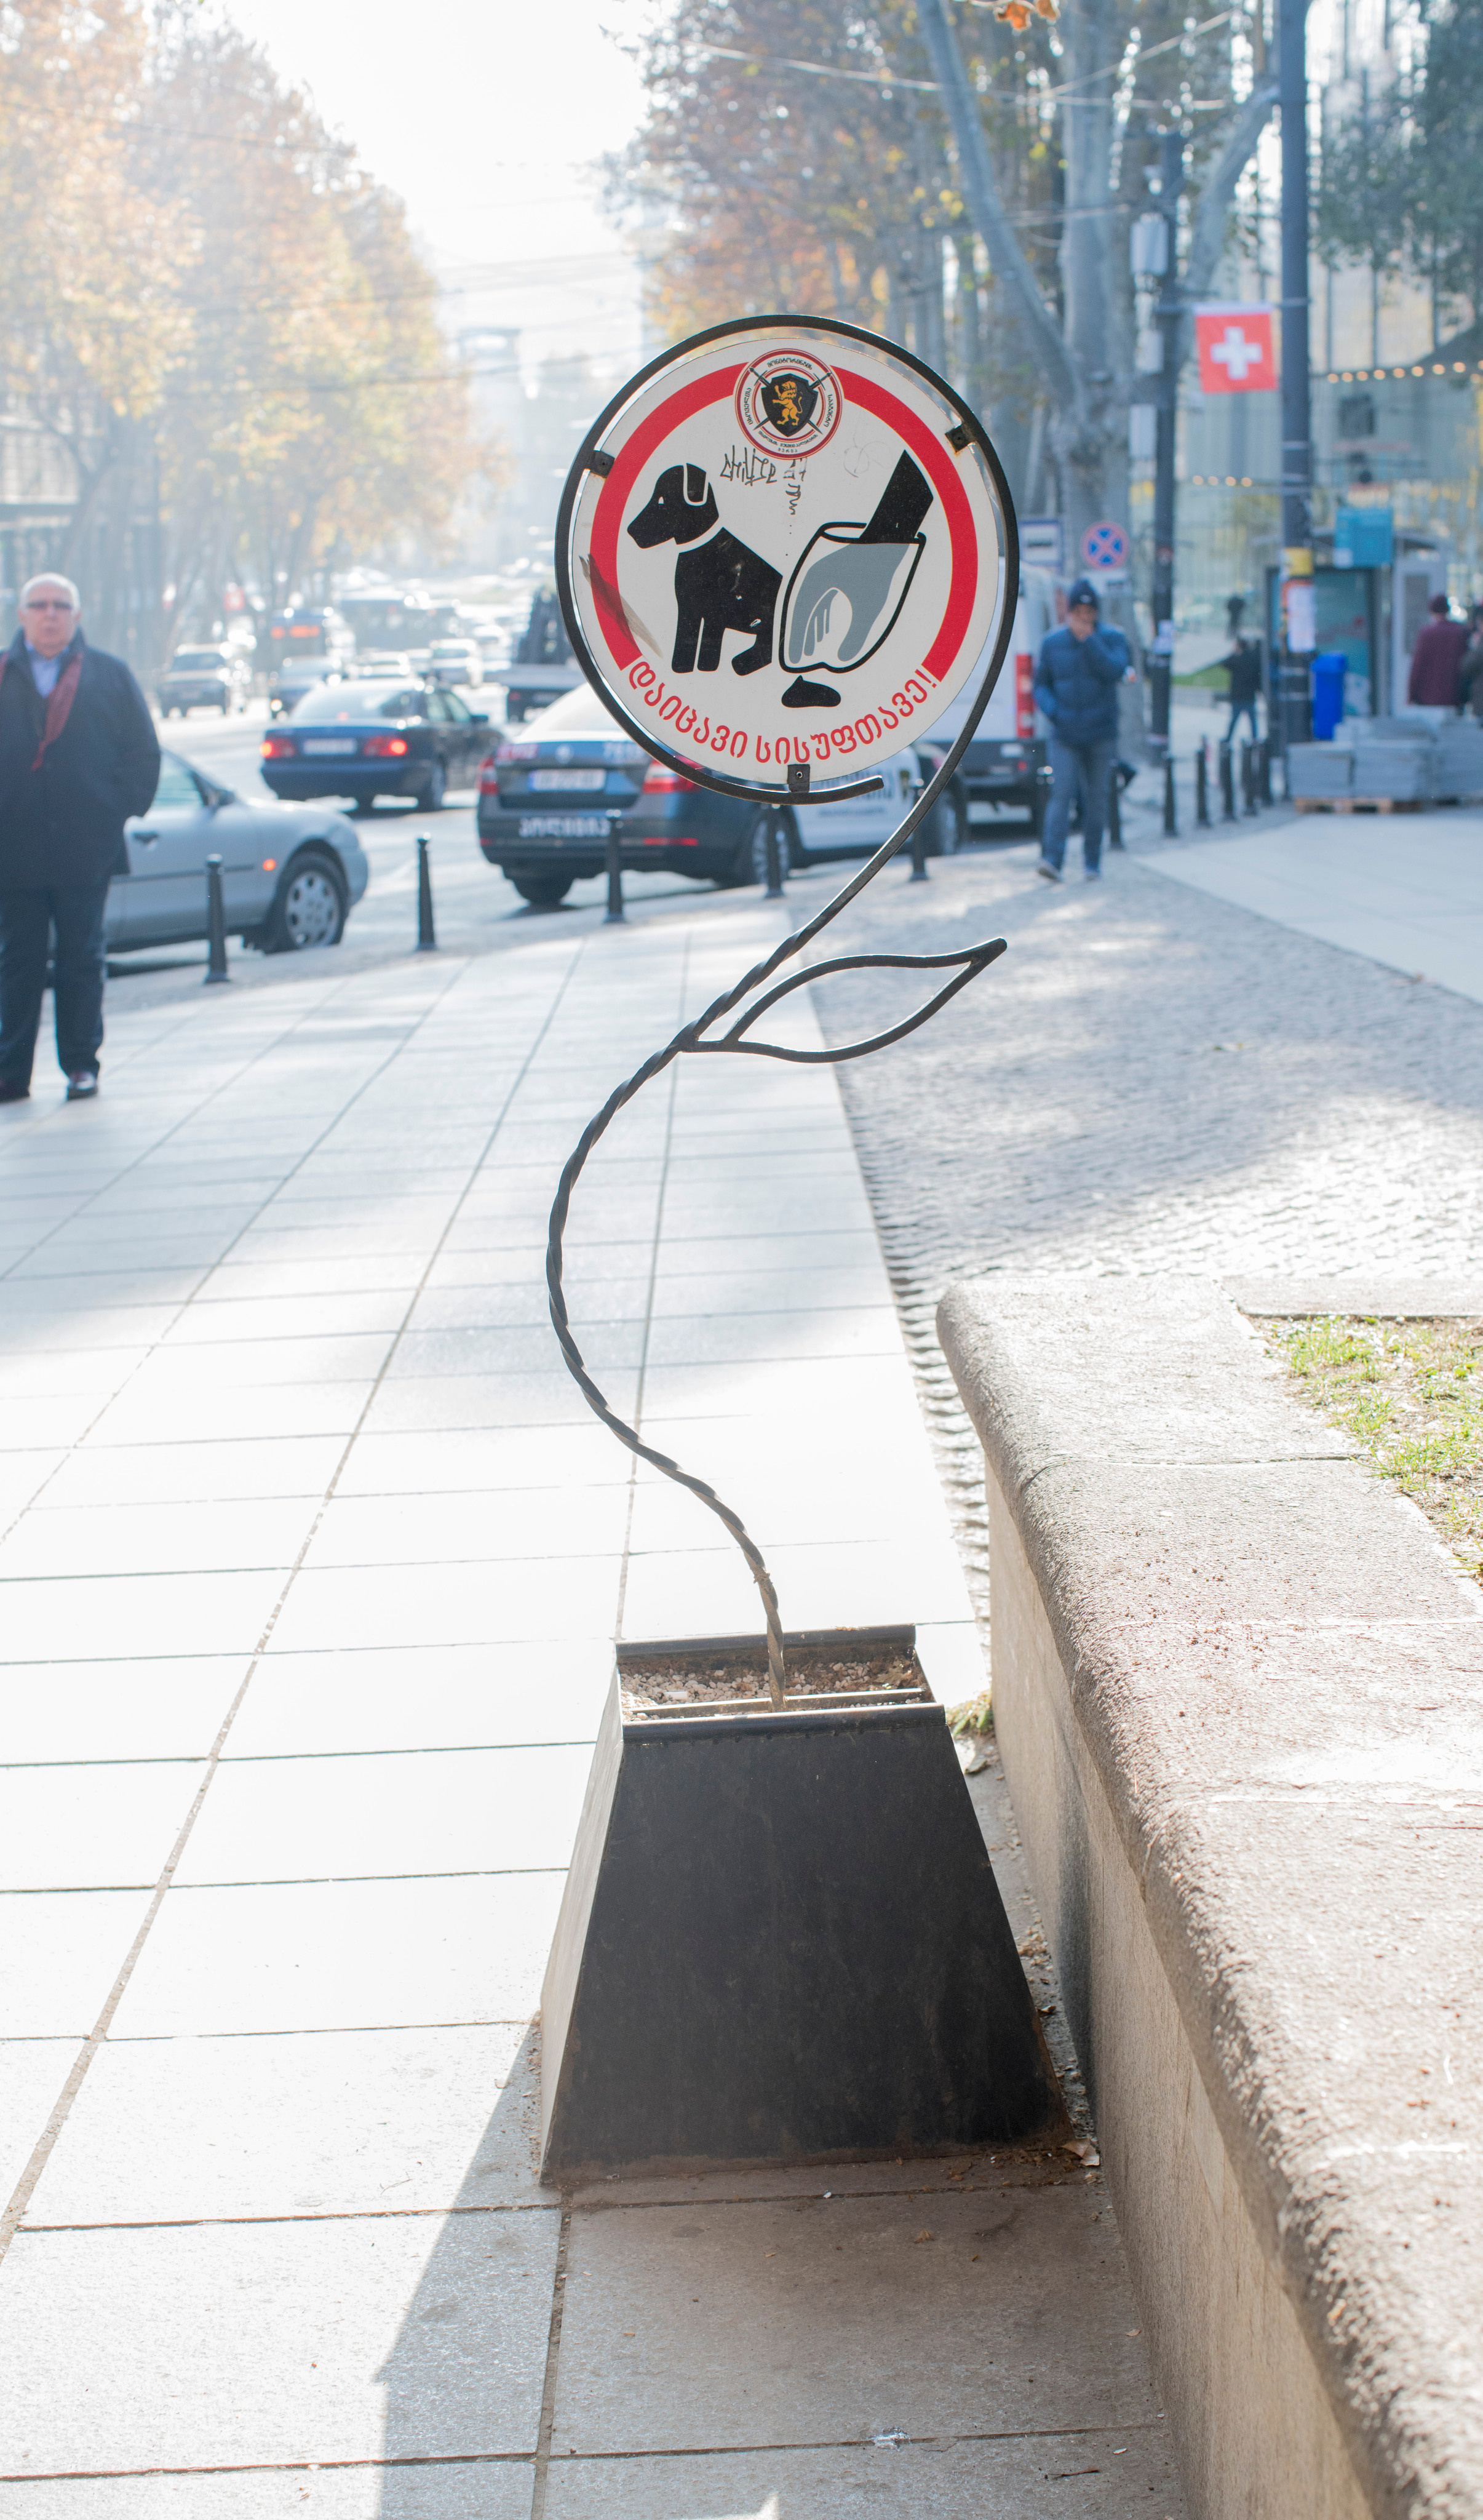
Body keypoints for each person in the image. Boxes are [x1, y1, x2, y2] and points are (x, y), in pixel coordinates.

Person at [0, 572, 159, 1104]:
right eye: (39, 605)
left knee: (81, 960)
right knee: (16, 964)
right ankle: (10, 1073)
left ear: (77, 615)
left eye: (61, 605)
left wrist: (111, 812)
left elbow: (142, 756)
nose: (50, 614)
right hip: (13, 850)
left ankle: (81, 1066)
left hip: (83, 851)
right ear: (21, 615)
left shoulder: (109, 675)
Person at [1032, 576, 1131, 883]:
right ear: (1070, 612)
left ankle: (1092, 862)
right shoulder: (1052, 643)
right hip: (1065, 733)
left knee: (1096, 799)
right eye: (1079, 612)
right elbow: (1040, 686)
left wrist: (1091, 642)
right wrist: (1055, 712)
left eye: (1090, 613)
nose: (1084, 618)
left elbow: (1116, 671)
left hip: (1101, 732)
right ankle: (1053, 860)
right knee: (1061, 794)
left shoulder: (1112, 638)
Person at [1407, 592, 1469, 709]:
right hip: (1453, 693)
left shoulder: (1426, 634)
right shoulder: (1460, 633)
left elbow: (1418, 666)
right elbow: (1465, 665)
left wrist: (1411, 694)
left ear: (1432, 611)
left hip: (1428, 695)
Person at [1222, 632, 1263, 746]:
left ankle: (1228, 739)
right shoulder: (1253, 659)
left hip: (1238, 695)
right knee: (1252, 720)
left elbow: (1225, 664)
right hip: (1249, 694)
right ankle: (1255, 738)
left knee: (1234, 720)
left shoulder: (1237, 659)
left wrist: (1234, 653)